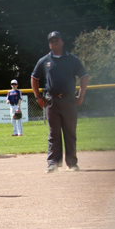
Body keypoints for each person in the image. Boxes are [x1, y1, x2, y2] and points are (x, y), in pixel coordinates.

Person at [31, 31, 89, 173]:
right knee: (54, 133)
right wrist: (38, 97)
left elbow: (84, 76)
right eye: (51, 41)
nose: (54, 43)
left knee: (70, 132)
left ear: (62, 42)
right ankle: (53, 163)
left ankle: (72, 163)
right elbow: (34, 78)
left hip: (69, 99)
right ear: (49, 45)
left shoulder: (72, 59)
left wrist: (81, 96)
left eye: (57, 40)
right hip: (51, 100)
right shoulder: (44, 61)